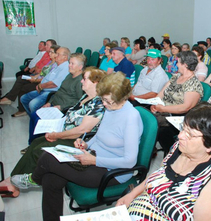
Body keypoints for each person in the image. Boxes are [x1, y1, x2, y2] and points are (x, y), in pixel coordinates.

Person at [11, 72, 143, 221]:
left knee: (47, 159)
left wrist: (94, 161)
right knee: (50, 179)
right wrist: (86, 144)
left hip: (111, 171)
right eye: (103, 99)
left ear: (121, 99)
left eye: (106, 101)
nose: (103, 104)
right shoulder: (112, 108)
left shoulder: (131, 117)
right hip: (93, 156)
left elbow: (129, 161)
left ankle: (34, 179)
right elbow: (99, 135)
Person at [0, 67, 106, 198]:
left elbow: (82, 130)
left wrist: (56, 135)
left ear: (95, 83)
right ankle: (12, 180)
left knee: (40, 149)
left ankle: (12, 183)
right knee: (36, 142)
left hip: (78, 141)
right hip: (66, 132)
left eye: (85, 79)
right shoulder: (86, 96)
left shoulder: (99, 103)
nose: (81, 81)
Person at [117, 103, 211, 221]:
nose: (180, 135)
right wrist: (132, 195)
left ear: (210, 145)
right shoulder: (179, 148)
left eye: (190, 134)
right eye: (183, 128)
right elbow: (159, 175)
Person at [24, 53, 86, 153]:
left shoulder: (80, 81)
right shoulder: (69, 76)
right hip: (54, 105)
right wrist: (49, 102)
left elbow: (80, 101)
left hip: (63, 109)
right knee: (34, 115)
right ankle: (32, 144)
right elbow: (59, 91)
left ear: (80, 67)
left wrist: (61, 106)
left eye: (72, 64)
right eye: (69, 63)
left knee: (39, 121)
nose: (69, 65)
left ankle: (37, 145)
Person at [151, 51, 203, 154]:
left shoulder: (194, 84)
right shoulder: (176, 76)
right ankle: (149, 148)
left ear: (185, 65)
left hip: (177, 117)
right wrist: (154, 103)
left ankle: (171, 154)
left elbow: (186, 107)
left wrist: (162, 108)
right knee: (143, 117)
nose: (176, 64)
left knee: (159, 129)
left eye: (178, 62)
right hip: (163, 110)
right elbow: (162, 92)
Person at [0, 44, 60, 117]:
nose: (49, 53)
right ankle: (12, 100)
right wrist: (35, 77)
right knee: (20, 78)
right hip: (38, 79)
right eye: (49, 52)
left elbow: (47, 79)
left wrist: (35, 80)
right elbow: (42, 73)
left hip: (42, 83)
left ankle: (19, 107)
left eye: (52, 52)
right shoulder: (50, 62)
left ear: (57, 54)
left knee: (24, 87)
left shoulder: (56, 65)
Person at [20, 47, 71, 115]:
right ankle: (34, 118)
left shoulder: (65, 68)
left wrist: (41, 85)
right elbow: (46, 77)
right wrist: (40, 84)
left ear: (65, 57)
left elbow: (54, 84)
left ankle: (38, 121)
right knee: (24, 99)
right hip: (44, 89)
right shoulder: (57, 65)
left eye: (58, 54)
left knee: (33, 104)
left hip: (51, 92)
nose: (55, 55)